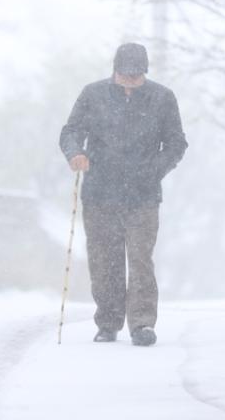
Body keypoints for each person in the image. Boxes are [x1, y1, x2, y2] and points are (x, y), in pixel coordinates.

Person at [59, 42, 188, 347]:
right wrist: (75, 153)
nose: (131, 81)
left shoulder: (162, 98)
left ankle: (142, 323)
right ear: (115, 71)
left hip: (143, 196)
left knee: (141, 259)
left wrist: (153, 171)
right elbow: (71, 131)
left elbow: (176, 144)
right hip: (99, 193)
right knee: (105, 261)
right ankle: (108, 321)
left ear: (145, 72)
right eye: (125, 75)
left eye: (137, 76)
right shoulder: (93, 95)